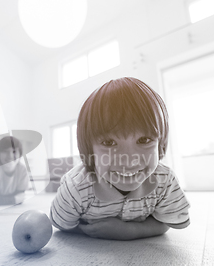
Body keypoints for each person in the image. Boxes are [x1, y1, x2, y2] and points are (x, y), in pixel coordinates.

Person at [50, 77, 190, 240]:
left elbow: (166, 222)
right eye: (109, 142)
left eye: (144, 140)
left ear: (160, 143)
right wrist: (97, 232)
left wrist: (133, 231)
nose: (129, 161)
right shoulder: (76, 187)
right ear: (90, 150)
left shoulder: (165, 181)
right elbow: (61, 225)